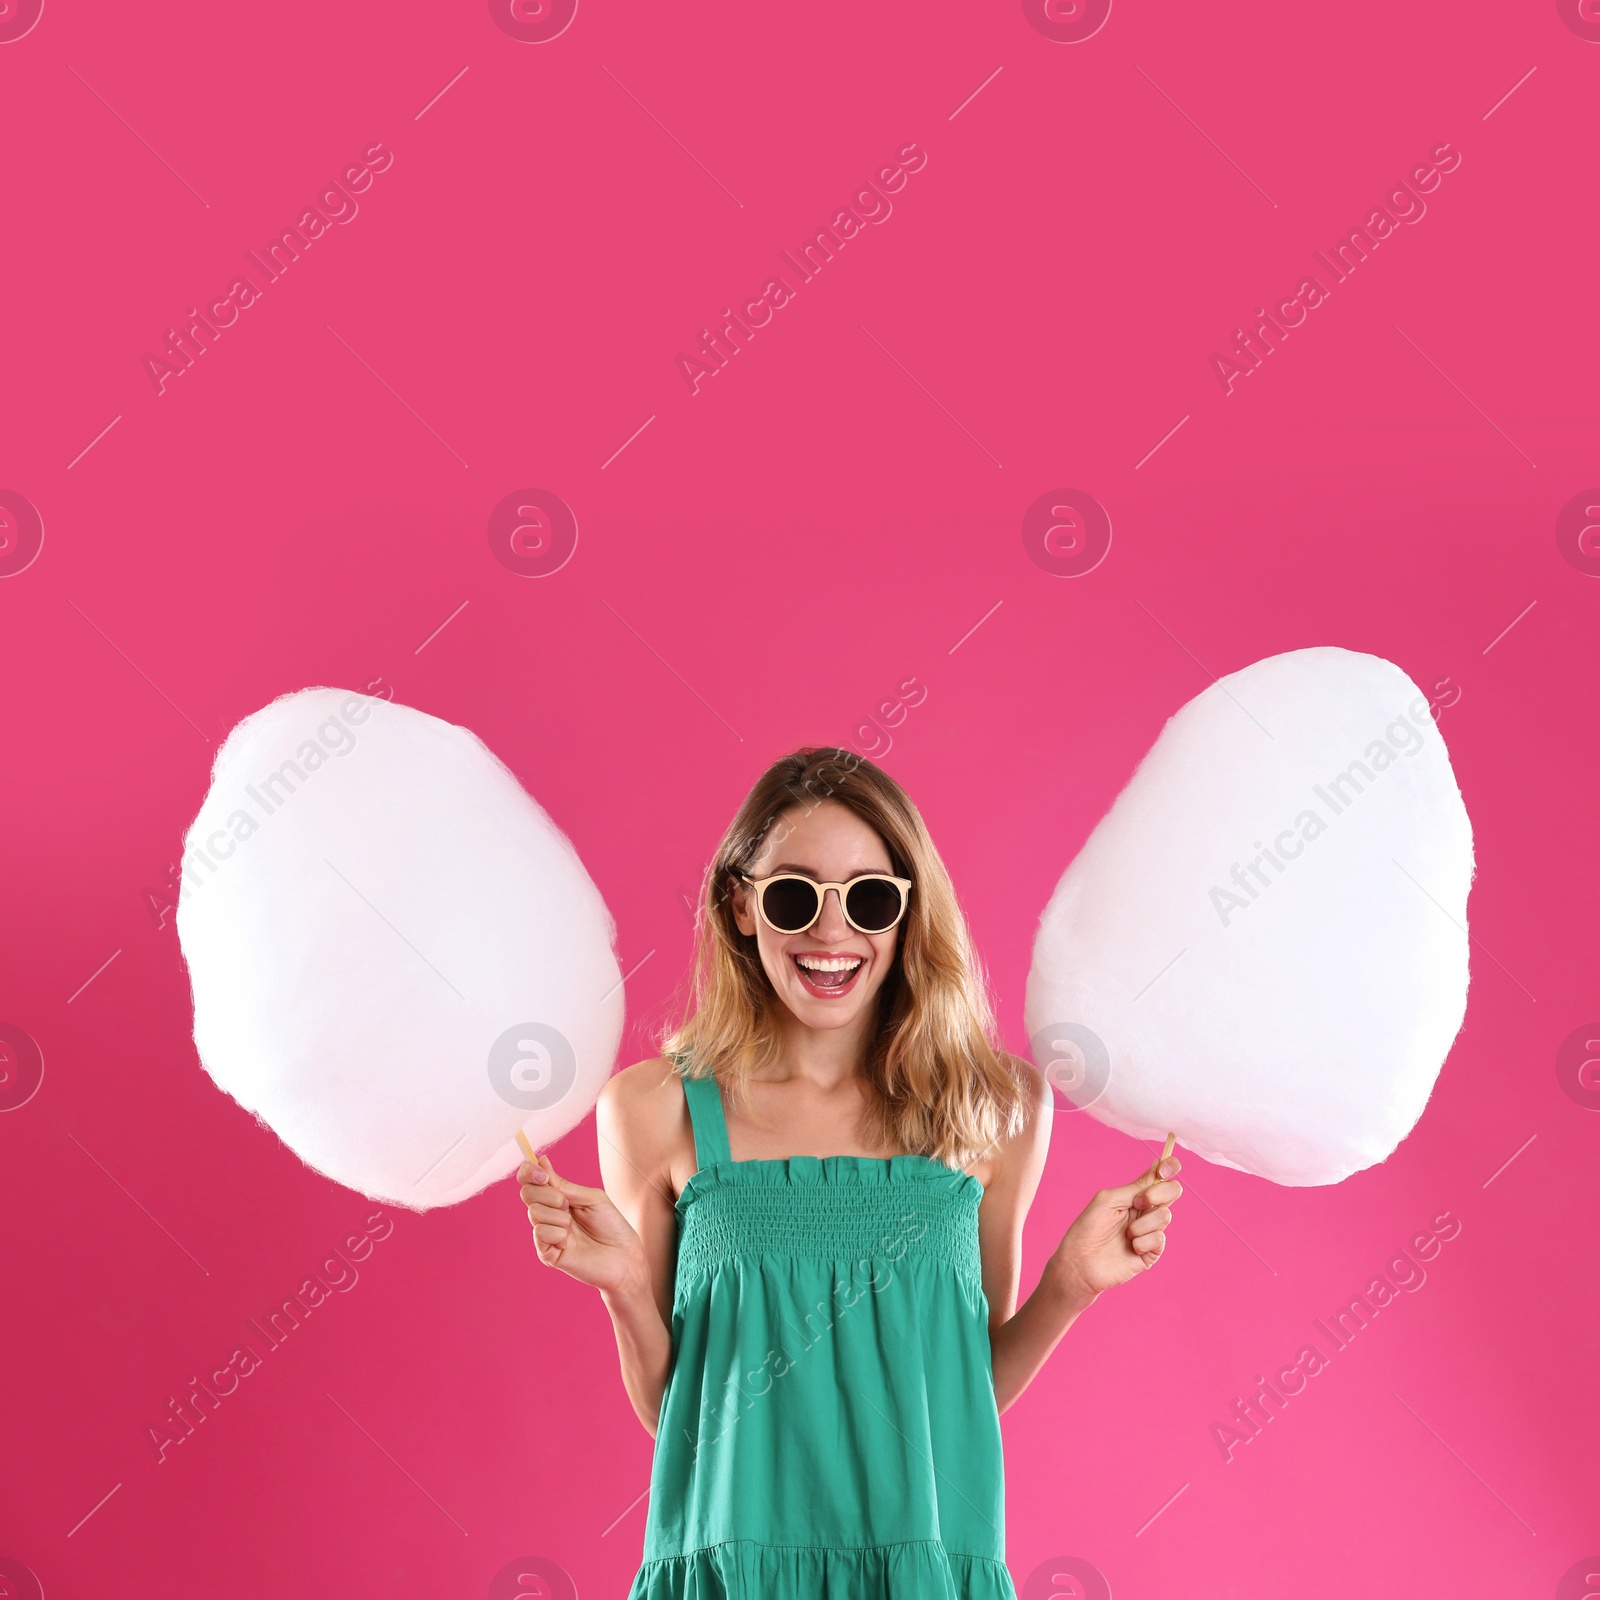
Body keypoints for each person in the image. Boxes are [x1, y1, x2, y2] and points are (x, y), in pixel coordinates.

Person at [516, 749, 1182, 1598]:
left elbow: (960, 1397)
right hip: (732, 1572)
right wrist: (618, 1286)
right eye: (795, 897)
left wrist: (1074, 1282)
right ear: (741, 905)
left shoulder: (995, 1107)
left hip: (921, 1567)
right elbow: (675, 1419)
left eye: (869, 899)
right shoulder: (653, 1110)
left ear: (908, 915)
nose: (833, 936)